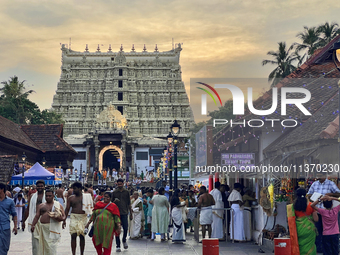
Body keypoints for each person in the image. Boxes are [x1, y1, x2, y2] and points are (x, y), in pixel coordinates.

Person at [307, 174, 340, 253]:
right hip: (319, 212)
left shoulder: (330, 184)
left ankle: (327, 249)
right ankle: (319, 249)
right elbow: (308, 195)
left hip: (327, 211)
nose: (318, 176)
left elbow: (338, 194)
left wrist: (330, 195)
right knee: (318, 230)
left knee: (326, 232)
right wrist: (317, 197)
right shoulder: (314, 184)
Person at [31, 189, 65, 255]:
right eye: (46, 196)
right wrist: (33, 225)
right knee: (43, 247)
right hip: (43, 229)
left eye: (50, 196)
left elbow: (64, 217)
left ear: (53, 196)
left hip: (53, 228)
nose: (48, 197)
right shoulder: (41, 205)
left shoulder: (58, 205)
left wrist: (57, 217)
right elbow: (37, 216)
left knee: (51, 247)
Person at [287, 188, 318, 255]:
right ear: (305, 194)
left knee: (299, 246)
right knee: (310, 247)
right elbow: (316, 219)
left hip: (298, 230)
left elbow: (291, 219)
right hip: (309, 230)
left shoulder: (293, 206)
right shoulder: (311, 205)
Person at [63, 182, 87, 255]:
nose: (73, 190)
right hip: (74, 217)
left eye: (75, 188)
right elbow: (67, 209)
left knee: (82, 236)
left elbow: (91, 206)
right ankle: (73, 253)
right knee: (73, 235)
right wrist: (64, 220)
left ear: (80, 189)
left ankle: (82, 253)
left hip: (83, 217)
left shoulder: (85, 197)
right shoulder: (71, 198)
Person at [22, 180, 46, 255]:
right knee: (35, 243)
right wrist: (23, 221)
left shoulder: (48, 195)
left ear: (44, 186)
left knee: (45, 242)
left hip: (45, 221)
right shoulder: (32, 196)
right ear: (36, 187)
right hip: (34, 221)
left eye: (41, 186)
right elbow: (28, 209)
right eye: (38, 186)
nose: (40, 187)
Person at [111, 178, 132, 252]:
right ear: (116, 184)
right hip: (116, 213)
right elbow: (111, 203)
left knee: (126, 228)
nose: (119, 185)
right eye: (118, 184)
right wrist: (114, 201)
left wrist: (131, 213)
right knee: (117, 229)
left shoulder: (126, 192)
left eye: (121, 184)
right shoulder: (114, 192)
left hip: (124, 212)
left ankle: (124, 240)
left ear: (123, 184)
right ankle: (118, 245)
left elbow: (129, 203)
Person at [0, 182, 18, 255]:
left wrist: (15, 226)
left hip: (5, 227)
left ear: (2, 189)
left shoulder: (10, 201)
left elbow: (14, 214)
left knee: (5, 247)